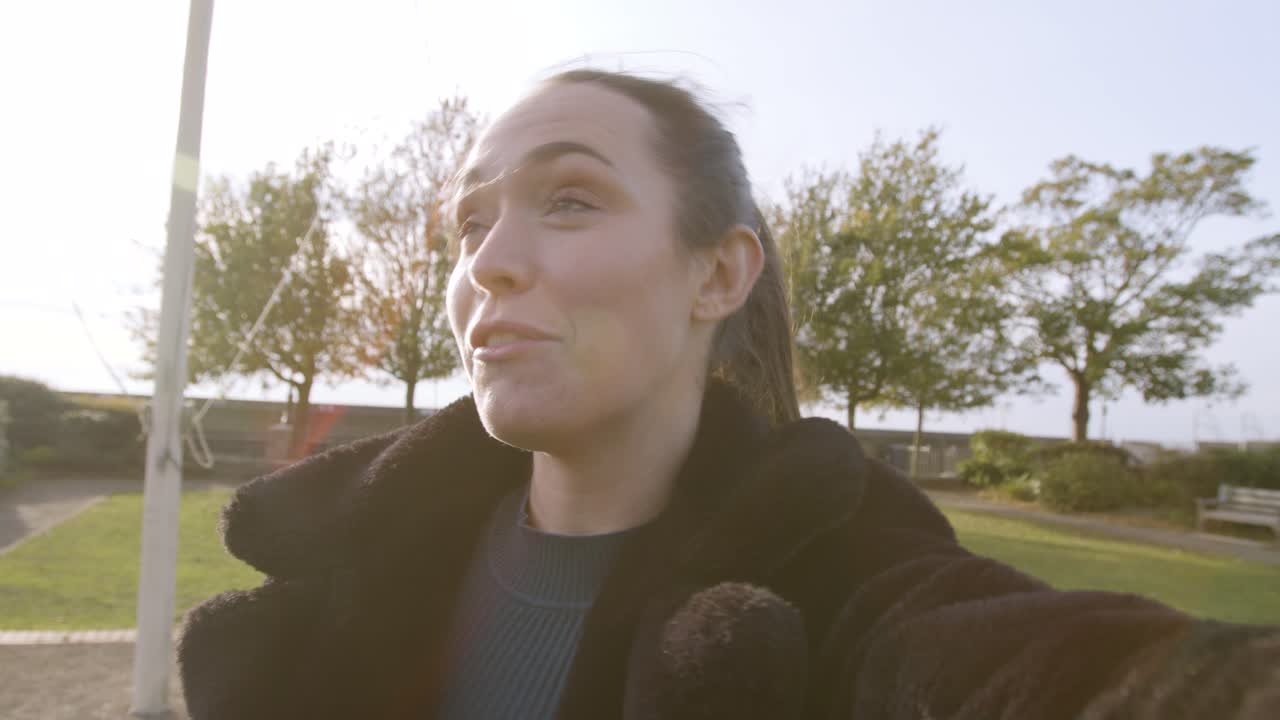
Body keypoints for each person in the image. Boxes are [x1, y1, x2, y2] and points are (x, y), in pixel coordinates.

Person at [178, 69, 1280, 720]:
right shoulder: (366, 560)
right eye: (470, 222)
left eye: (567, 200)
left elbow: (1034, 667)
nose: (489, 262)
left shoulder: (842, 572)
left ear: (718, 271)